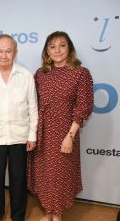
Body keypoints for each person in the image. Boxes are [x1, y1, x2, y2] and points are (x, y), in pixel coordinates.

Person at [28, 31, 94, 221]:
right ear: (47, 51)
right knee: (45, 174)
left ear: (69, 49)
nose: (57, 50)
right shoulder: (40, 74)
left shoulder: (81, 73)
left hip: (65, 131)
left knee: (60, 173)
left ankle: (56, 214)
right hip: (42, 132)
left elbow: (83, 106)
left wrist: (70, 135)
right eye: (52, 46)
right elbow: (32, 103)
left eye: (62, 45)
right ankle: (49, 211)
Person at [0, 34, 38, 221]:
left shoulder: (26, 76)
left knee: (19, 180)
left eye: (8, 51)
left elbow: (33, 108)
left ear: (15, 53)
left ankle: (18, 215)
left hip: (19, 137)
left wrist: (32, 136)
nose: (4, 55)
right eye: (0, 51)